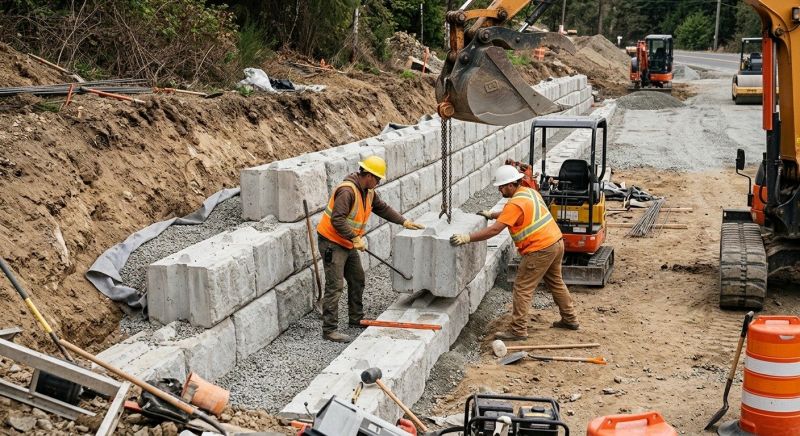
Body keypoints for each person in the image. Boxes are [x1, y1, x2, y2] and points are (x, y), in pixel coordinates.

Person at [449, 165, 579, 340]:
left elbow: (494, 231)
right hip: (555, 243)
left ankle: (518, 330)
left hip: (539, 249)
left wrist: (467, 237)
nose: (500, 190)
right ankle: (570, 319)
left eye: (502, 187)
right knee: (556, 282)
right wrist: (493, 214)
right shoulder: (528, 192)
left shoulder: (515, 203)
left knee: (522, 288)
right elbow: (513, 213)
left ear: (511, 185)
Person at [316, 156, 425, 342]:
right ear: (368, 175)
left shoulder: (368, 191)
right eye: (377, 178)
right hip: (332, 243)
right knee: (335, 286)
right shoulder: (347, 191)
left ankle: (356, 319)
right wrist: (355, 237)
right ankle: (329, 330)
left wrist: (403, 221)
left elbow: (382, 208)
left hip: (348, 242)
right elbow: (337, 219)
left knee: (357, 278)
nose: (379, 182)